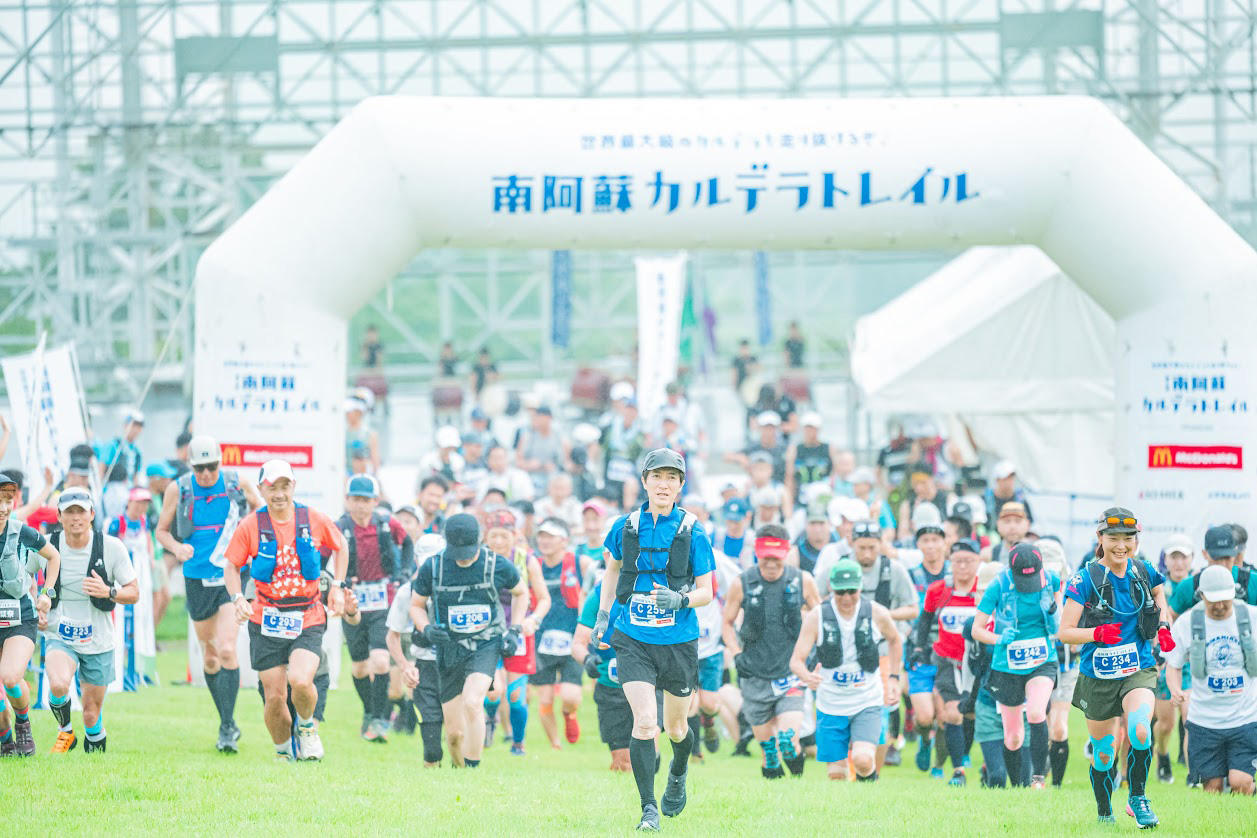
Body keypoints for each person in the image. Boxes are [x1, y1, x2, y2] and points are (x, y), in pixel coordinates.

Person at [591, 448, 715, 832]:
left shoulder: (693, 531)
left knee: (676, 728)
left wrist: (680, 599)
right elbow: (612, 571)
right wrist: (603, 615)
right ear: (644, 482)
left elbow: (707, 591)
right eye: (656, 477)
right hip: (633, 637)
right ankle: (648, 810)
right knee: (646, 723)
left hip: (678, 640)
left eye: (671, 478)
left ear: (680, 485)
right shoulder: (624, 526)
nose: (663, 484)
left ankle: (678, 771)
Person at [224, 459, 348, 762]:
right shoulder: (251, 525)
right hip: (265, 618)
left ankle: (306, 727)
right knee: (275, 697)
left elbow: (341, 545)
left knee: (302, 680)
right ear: (261, 489)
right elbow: (231, 565)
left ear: (294, 486)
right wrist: (238, 598)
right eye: (272, 487)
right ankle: (283, 752)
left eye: (285, 486)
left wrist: (338, 586)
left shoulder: (313, 518)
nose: (279, 493)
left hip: (308, 615)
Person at [1059, 507, 1172, 827]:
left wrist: (1163, 626)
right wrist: (1096, 634)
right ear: (1100, 538)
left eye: (1128, 538)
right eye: (1114, 538)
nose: (1121, 546)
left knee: (1140, 730)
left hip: (1138, 667)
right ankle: (1104, 811)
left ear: (1136, 539)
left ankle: (1138, 798)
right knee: (1104, 752)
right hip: (1098, 674)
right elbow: (1065, 632)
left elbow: (1159, 595)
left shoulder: (1145, 570)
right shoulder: (1085, 579)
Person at [155, 434, 261, 753]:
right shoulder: (179, 489)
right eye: (199, 468)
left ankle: (227, 727)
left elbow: (261, 513)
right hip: (197, 577)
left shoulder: (237, 483)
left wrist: (251, 546)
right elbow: (161, 531)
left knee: (227, 648)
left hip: (231, 575)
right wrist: (176, 548)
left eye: (211, 467)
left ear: (220, 462)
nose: (205, 474)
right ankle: (226, 721)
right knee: (211, 656)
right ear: (191, 466)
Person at [410, 512, 528, 768]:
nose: (463, 558)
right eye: (458, 553)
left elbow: (521, 593)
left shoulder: (497, 565)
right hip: (449, 648)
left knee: (473, 702)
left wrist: (515, 629)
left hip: (486, 643)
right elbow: (416, 605)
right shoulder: (433, 568)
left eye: (468, 553)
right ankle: (460, 769)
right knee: (454, 735)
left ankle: (472, 770)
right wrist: (426, 629)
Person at [722, 524, 821, 780]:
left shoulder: (803, 581)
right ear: (757, 553)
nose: (771, 564)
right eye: (765, 557)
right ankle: (776, 790)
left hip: (790, 672)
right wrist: (735, 653)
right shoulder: (742, 583)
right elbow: (726, 623)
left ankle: (797, 785)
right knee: (769, 751)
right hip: (754, 673)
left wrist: (814, 653)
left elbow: (822, 618)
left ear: (786, 554)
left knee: (788, 740)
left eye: (776, 558)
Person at [44, 488, 139, 754]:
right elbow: (26, 577)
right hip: (59, 632)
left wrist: (109, 591)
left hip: (99, 638)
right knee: (58, 684)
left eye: (81, 511)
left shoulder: (111, 547)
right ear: (59, 516)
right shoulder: (47, 545)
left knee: (90, 714)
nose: (76, 517)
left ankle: (94, 752)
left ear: (92, 514)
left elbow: (134, 592)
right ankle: (65, 731)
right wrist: (36, 605)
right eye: (69, 512)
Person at [792, 558, 902, 781]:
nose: (846, 598)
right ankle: (847, 803)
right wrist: (807, 676)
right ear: (830, 588)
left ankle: (869, 791)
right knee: (836, 775)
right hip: (831, 703)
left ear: (861, 587)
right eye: (840, 592)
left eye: (852, 591)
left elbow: (895, 640)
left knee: (863, 760)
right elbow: (796, 660)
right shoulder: (817, 617)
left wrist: (893, 677)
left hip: (867, 699)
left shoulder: (876, 613)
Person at [971, 542, 1062, 789]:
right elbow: (976, 629)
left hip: (1042, 659)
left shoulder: (1052, 580)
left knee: (1036, 712)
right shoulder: (998, 585)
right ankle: (1017, 788)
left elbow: (1060, 618)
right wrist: (998, 638)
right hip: (1007, 665)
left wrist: (1054, 614)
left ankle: (1038, 779)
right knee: (1013, 737)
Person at [1165, 564, 1257, 796]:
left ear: (1234, 592)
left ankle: (1243, 810)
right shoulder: (1187, 623)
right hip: (1204, 721)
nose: (1219, 606)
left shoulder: (1251, 617)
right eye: (1213, 600)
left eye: (1225, 599)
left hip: (1246, 718)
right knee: (1212, 788)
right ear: (1202, 595)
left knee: (1240, 782)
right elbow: (1173, 665)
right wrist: (1175, 689)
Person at [337, 474, 413, 743]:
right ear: (347, 500)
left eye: (366, 500)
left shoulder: (386, 523)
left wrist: (404, 573)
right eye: (356, 499)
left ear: (375, 501)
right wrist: (333, 585)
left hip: (383, 600)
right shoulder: (340, 527)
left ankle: (380, 718)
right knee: (359, 668)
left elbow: (408, 543)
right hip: (353, 601)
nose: (360, 505)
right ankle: (369, 712)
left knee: (380, 661)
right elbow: (322, 556)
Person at [912, 537, 981, 785]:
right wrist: (919, 647)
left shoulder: (985, 590)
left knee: (970, 713)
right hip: (947, 660)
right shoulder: (939, 590)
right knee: (952, 713)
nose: (962, 566)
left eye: (968, 561)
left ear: (978, 562)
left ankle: (964, 753)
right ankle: (958, 771)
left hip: (976, 662)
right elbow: (925, 619)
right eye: (957, 561)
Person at [0, 472, 59, 756]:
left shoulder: (19, 531)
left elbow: (53, 556)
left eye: (8, 501)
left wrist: (47, 593)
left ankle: (23, 722)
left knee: (11, 677)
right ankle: (5, 739)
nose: (3, 508)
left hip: (19, 617)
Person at [530, 517, 593, 748]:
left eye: (550, 536)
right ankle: (556, 745)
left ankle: (569, 714)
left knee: (570, 696)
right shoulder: (533, 564)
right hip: (541, 639)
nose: (544, 541)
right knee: (545, 698)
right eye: (541, 536)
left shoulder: (580, 563)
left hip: (572, 638)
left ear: (564, 540)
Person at [386, 534, 447, 767]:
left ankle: (464, 772)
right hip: (424, 663)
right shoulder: (407, 591)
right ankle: (432, 767)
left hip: (456, 663)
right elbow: (392, 635)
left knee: (456, 730)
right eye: (426, 561)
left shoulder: (457, 587)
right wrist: (405, 666)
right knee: (431, 736)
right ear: (417, 561)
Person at [1152, 532, 1194, 783]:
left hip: (1192, 663)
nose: (1179, 563)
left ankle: (1193, 774)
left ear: (1192, 559)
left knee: (1192, 721)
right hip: (1166, 661)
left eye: (1183, 557)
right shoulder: (1158, 589)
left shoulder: (1199, 587)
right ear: (1165, 560)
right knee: (1166, 724)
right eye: (1174, 557)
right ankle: (1163, 753)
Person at [1168, 524, 1257, 618]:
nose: (1223, 564)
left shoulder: (1253, 581)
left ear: (1235, 553)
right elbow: (1169, 616)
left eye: (1227, 558)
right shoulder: (1189, 586)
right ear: (1204, 554)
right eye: (1216, 558)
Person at [783, 412, 834, 507]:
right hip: (801, 496)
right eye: (807, 428)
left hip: (823, 495)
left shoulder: (828, 448)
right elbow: (789, 476)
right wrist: (790, 500)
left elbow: (834, 474)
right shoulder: (795, 449)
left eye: (812, 428)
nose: (810, 431)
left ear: (818, 429)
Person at [786, 504, 836, 575]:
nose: (817, 529)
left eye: (821, 523)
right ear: (805, 525)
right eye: (813, 523)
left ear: (829, 523)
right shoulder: (798, 546)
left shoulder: (838, 542)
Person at [982, 501, 1032, 566]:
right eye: (1007, 521)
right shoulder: (989, 555)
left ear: (1028, 524)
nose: (1012, 526)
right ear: (998, 525)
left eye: (1018, 521)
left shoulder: (1038, 552)